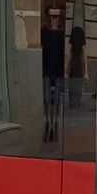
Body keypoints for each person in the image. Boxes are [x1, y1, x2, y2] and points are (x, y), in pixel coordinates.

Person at [41, 7, 65, 142]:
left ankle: (53, 124)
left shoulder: (61, 36)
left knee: (55, 101)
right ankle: (48, 123)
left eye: (56, 17)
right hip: (47, 72)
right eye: (52, 17)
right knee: (47, 100)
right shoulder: (45, 33)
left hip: (57, 73)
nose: (54, 19)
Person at [67, 26, 86, 110]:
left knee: (74, 88)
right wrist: (86, 73)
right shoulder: (79, 49)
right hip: (77, 70)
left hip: (75, 70)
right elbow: (84, 59)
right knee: (76, 89)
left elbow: (69, 58)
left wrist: (66, 71)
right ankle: (76, 104)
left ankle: (74, 104)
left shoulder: (75, 49)